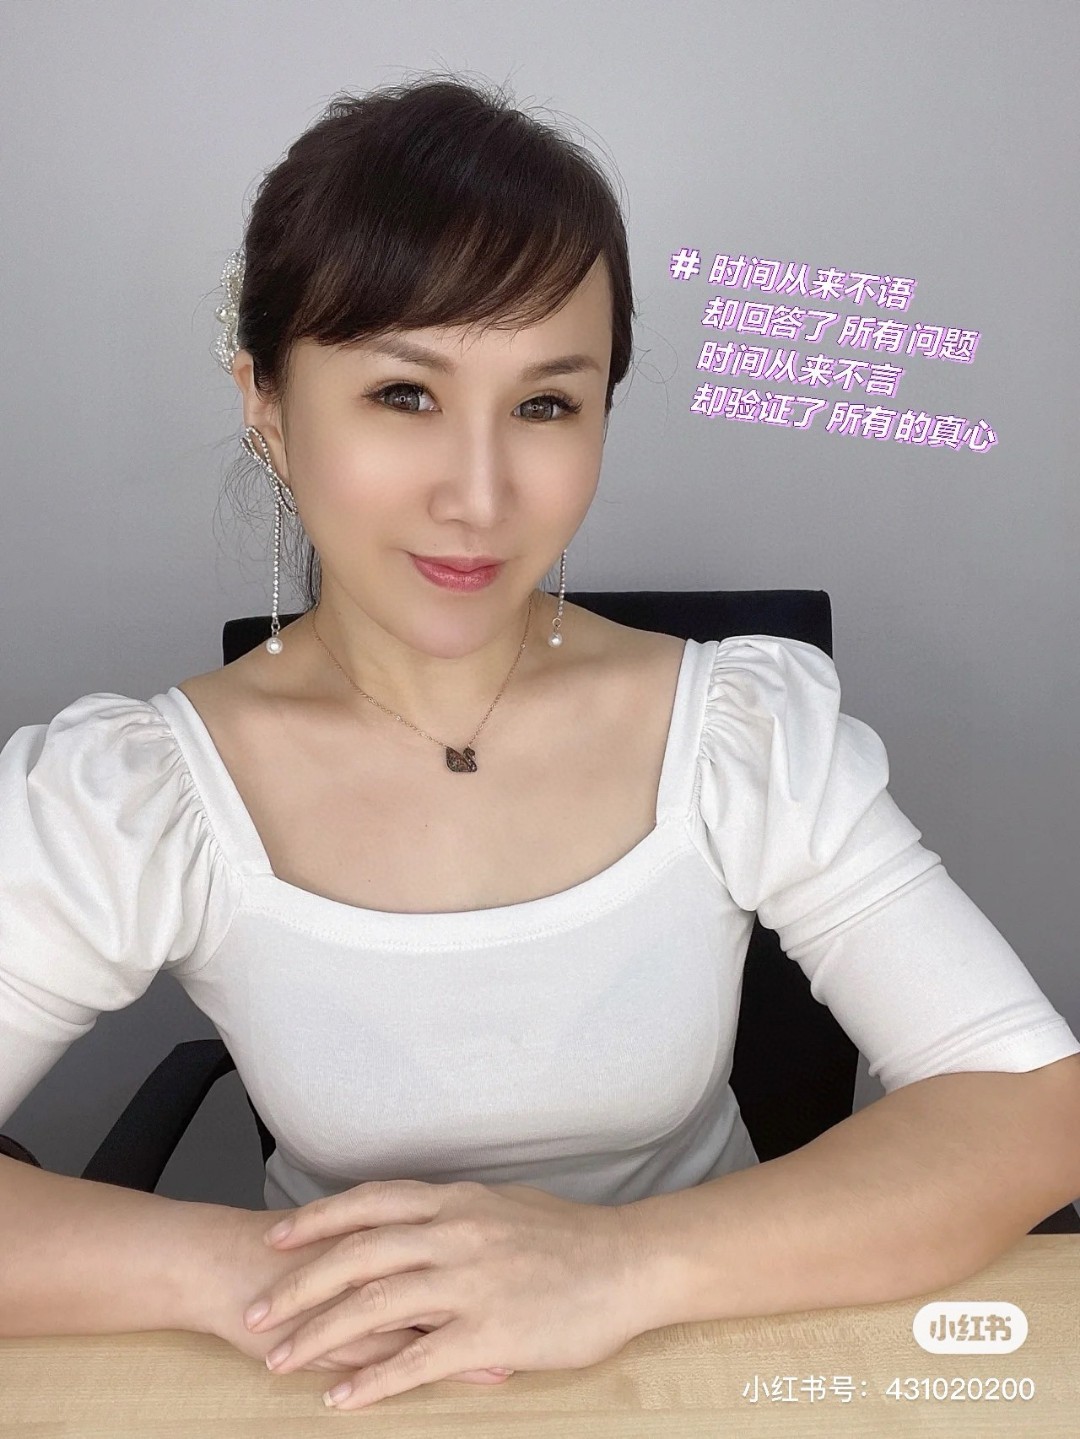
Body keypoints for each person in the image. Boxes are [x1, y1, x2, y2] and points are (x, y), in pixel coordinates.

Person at [2, 73, 1078, 1403]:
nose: (480, 494)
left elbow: (1030, 1106)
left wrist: (613, 1269)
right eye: (405, 394)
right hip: (362, 1386)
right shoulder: (135, 797)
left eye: (547, 405)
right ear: (268, 405)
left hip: (726, 1357)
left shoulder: (738, 734)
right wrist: (248, 1275)